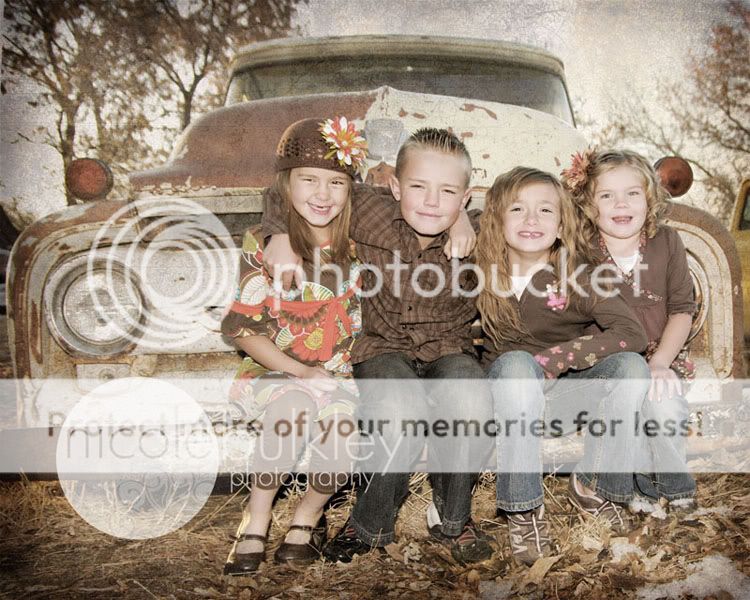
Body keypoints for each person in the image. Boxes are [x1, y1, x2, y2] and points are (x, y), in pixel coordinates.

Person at [260, 128, 495, 565]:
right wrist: (278, 235)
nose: (432, 202)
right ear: (395, 187)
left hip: (450, 349)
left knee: (469, 397)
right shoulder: (369, 209)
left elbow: (536, 223)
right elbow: (287, 188)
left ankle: (453, 518)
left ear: (465, 197)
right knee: (398, 408)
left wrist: (464, 218)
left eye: (447, 192)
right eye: (418, 187)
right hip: (383, 348)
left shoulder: (480, 231)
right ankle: (368, 524)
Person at [477, 167, 650, 565]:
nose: (531, 219)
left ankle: (592, 484)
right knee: (516, 366)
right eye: (517, 209)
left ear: (560, 225)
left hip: (560, 398)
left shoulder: (579, 275)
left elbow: (631, 333)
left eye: (545, 210)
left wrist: (556, 359)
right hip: (504, 401)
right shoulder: (480, 266)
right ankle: (524, 510)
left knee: (630, 367)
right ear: (498, 219)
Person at [222, 116, 366, 575]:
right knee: (293, 410)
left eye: (336, 183)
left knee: (342, 440)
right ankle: (257, 516)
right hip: (276, 371)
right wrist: (301, 373)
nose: (323, 194)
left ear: (351, 190)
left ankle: (307, 515)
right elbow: (244, 330)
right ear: (286, 183)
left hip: (341, 377)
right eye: (308, 180)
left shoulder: (361, 244)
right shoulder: (263, 243)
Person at [563, 149, 697, 513]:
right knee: (629, 411)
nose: (621, 204)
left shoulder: (666, 242)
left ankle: (670, 487)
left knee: (664, 405)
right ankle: (638, 492)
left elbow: (682, 310)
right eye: (607, 195)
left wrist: (661, 363)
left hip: (660, 355)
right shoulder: (581, 252)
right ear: (589, 205)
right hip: (609, 365)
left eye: (632, 193)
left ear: (649, 199)